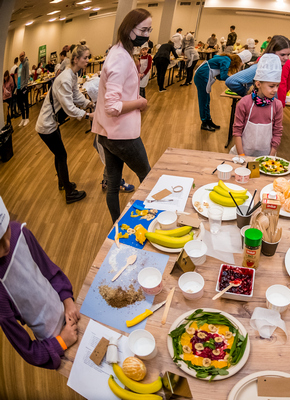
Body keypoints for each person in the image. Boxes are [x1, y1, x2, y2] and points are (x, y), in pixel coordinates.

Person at [0, 196, 80, 370]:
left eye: (4, 232)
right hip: (55, 342)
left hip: (69, 312)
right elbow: (27, 350)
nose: (5, 246)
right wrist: (61, 342)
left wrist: (67, 300)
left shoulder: (19, 232)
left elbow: (48, 268)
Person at [92, 8, 153, 223]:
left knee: (113, 183)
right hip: (121, 136)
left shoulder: (119, 52)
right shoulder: (120, 58)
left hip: (107, 134)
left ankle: (117, 224)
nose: (148, 34)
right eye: (144, 29)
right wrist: (140, 102)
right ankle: (148, 220)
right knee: (147, 175)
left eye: (150, 29)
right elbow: (112, 106)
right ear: (129, 30)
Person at [35, 45, 92, 204]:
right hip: (46, 126)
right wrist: (88, 115)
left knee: (59, 154)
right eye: (85, 58)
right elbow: (69, 108)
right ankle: (69, 193)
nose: (88, 60)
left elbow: (75, 95)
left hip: (51, 123)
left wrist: (89, 104)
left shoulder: (72, 75)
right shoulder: (66, 78)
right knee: (62, 155)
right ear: (76, 59)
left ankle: (63, 183)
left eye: (88, 57)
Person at [231, 54, 283, 157]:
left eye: (277, 85)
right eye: (271, 86)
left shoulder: (277, 105)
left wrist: (270, 156)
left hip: (266, 155)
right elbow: (237, 132)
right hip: (242, 153)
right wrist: (241, 155)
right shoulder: (244, 103)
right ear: (258, 84)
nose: (275, 90)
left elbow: (277, 132)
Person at [225, 35, 290, 107]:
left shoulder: (285, 64)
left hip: (275, 107)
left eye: (288, 54)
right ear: (272, 52)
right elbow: (231, 81)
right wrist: (247, 94)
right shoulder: (261, 67)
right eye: (282, 54)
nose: (286, 58)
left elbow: (288, 85)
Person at [194, 50, 250, 132]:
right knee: (203, 101)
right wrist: (235, 81)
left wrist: (231, 79)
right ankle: (204, 123)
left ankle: (208, 121)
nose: (241, 65)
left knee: (206, 101)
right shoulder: (226, 60)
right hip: (202, 77)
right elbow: (223, 76)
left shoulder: (226, 59)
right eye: (241, 63)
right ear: (239, 61)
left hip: (203, 76)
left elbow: (219, 76)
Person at [16, 52, 30, 127]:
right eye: (20, 56)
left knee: (26, 102)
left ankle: (27, 118)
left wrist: (25, 86)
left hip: (23, 87)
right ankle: (23, 118)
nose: (21, 57)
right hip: (18, 87)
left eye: (22, 56)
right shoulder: (20, 65)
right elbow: (18, 76)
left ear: (24, 56)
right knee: (20, 104)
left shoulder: (26, 63)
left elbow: (27, 76)